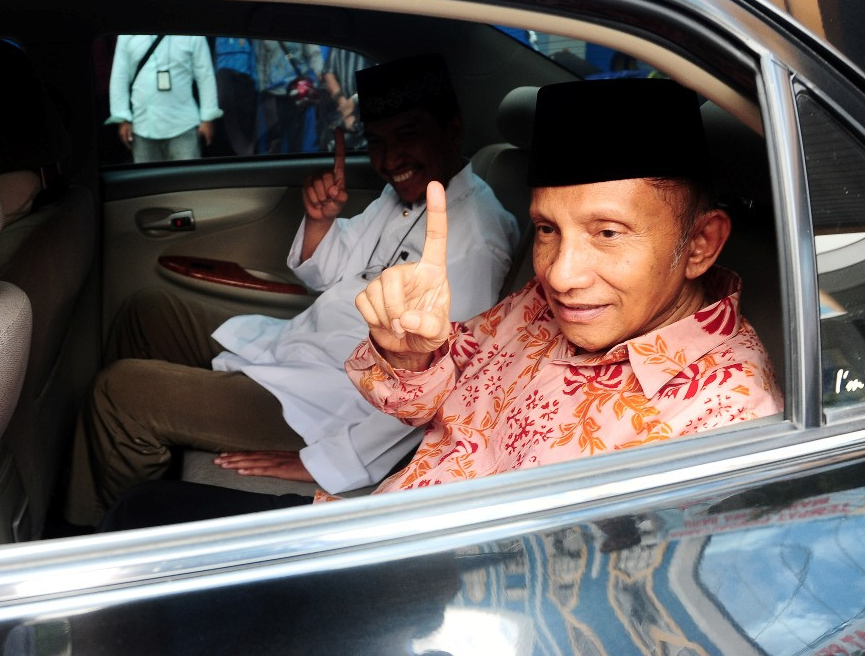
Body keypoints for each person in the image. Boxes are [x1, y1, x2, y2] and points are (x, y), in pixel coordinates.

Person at [99, 78, 782, 530]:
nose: (562, 274)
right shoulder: (538, 306)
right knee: (141, 513)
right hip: (379, 519)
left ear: (700, 244)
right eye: (547, 230)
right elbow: (435, 384)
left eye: (608, 233)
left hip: (419, 585)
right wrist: (408, 356)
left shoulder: (721, 420)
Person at [65, 54, 519, 528]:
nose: (388, 160)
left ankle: (90, 534)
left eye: (407, 135)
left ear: (452, 130)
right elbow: (338, 273)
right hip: (301, 348)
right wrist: (321, 221)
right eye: (377, 142)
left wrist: (327, 461)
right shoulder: (402, 197)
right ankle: (134, 470)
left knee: (119, 393)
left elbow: (441, 386)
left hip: (327, 405)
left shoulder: (477, 242)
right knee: (147, 311)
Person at [106, 35, 222, 163]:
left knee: (187, 176)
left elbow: (205, 76)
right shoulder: (127, 34)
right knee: (147, 176)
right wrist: (122, 118)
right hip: (142, 127)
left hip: (184, 126)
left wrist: (207, 118)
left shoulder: (191, 32)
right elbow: (119, 77)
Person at [256, 40, 323, 154]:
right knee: (274, 138)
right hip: (273, 93)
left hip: (297, 91)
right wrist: (262, 89)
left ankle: (295, 162)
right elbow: (261, 60)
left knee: (297, 137)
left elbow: (314, 54)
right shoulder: (265, 36)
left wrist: (322, 78)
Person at [318, 47, 373, 151]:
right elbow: (329, 74)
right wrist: (343, 104)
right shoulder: (338, 46)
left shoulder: (370, 43)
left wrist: (354, 101)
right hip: (343, 112)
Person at [214, 37, 258, 156]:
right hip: (225, 79)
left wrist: (255, 84)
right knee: (230, 119)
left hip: (246, 82)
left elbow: (254, 59)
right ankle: (244, 153)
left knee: (247, 123)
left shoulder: (249, 38)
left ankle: (246, 153)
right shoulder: (216, 38)